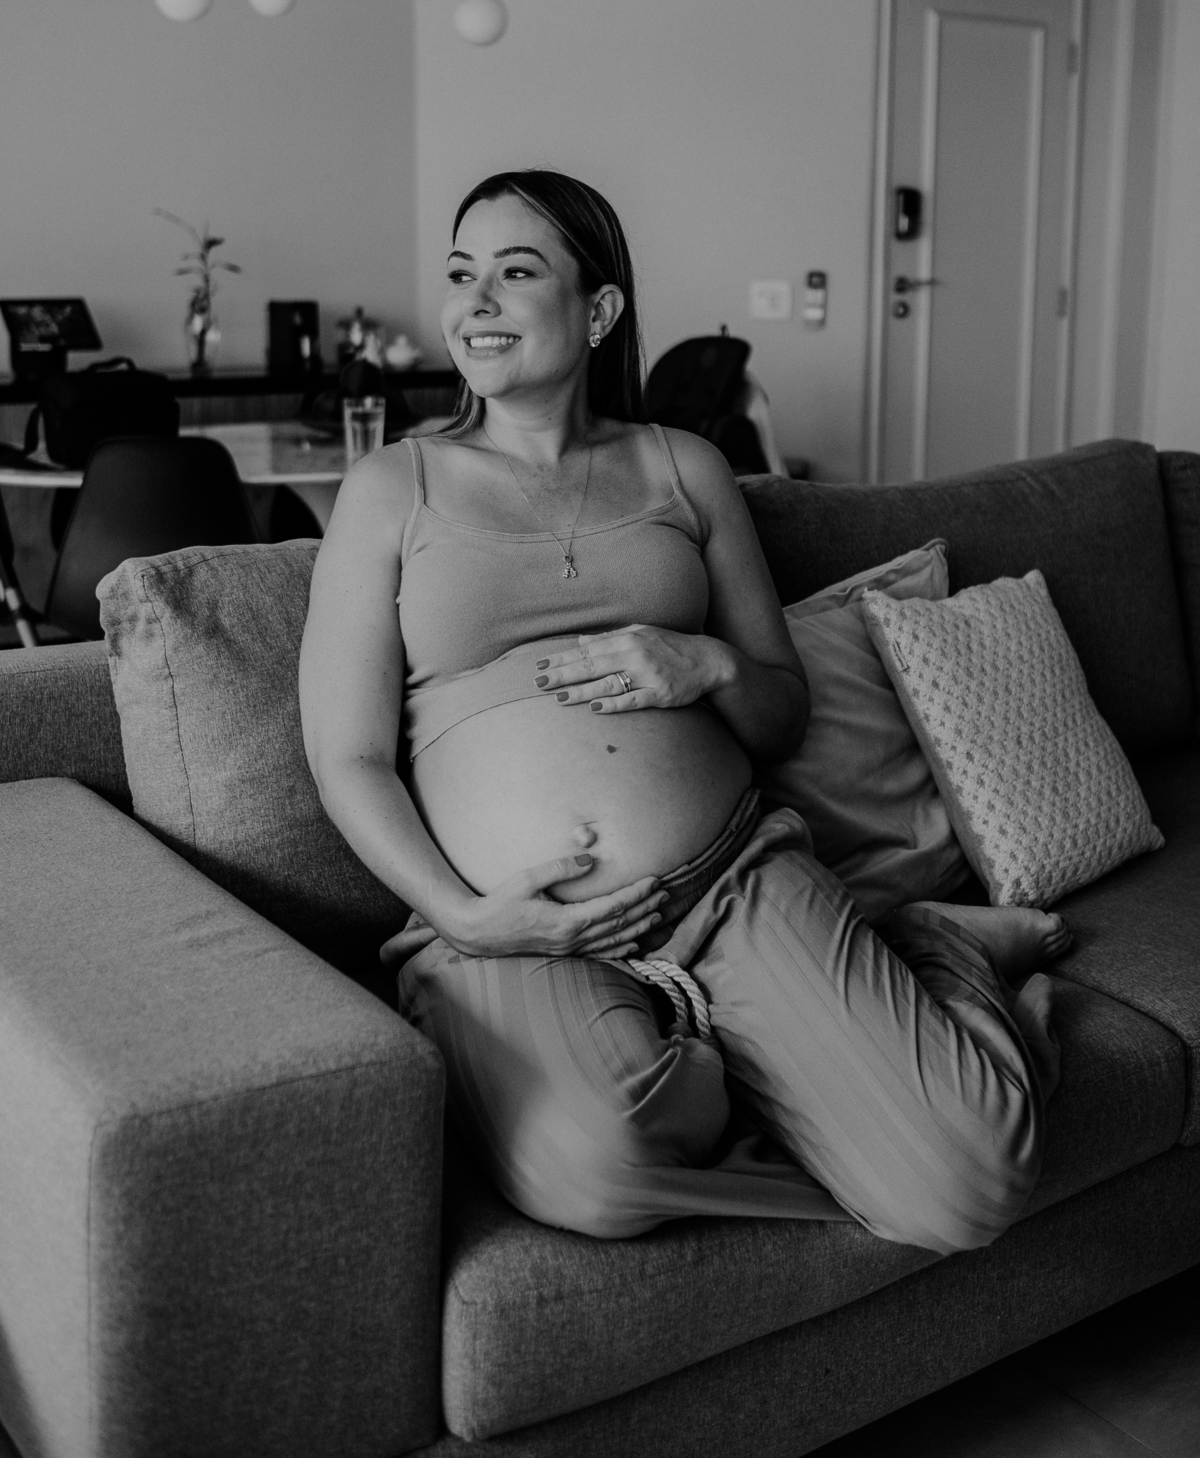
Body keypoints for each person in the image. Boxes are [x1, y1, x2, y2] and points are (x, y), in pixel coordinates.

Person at [300, 169, 1067, 1254]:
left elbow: (780, 715)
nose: (476, 303)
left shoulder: (686, 469)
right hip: (512, 933)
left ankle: (932, 954)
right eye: (462, 275)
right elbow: (347, 755)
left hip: (732, 883)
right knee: (598, 1171)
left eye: (516, 273)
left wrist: (705, 664)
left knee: (973, 1185)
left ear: (598, 309)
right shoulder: (391, 487)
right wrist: (464, 917)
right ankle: (776, 1069)